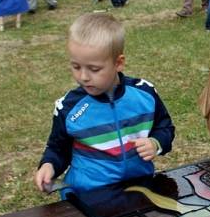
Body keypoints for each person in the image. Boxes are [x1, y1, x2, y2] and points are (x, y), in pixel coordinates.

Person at [35, 13, 175, 197]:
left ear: (118, 63)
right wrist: (49, 165)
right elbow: (58, 147)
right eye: (76, 67)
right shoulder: (69, 108)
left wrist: (155, 143)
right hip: (86, 194)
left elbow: (164, 128)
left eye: (94, 69)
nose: (83, 76)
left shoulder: (145, 95)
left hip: (139, 188)